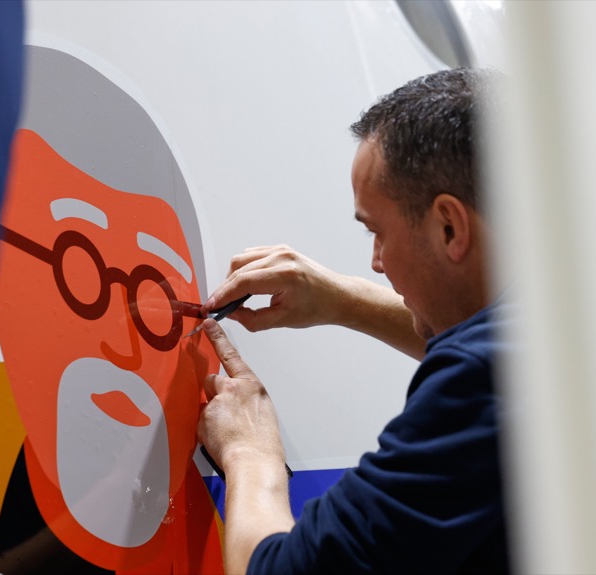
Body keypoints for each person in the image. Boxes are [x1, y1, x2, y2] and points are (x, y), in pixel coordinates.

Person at [197, 67, 513, 574]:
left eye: (377, 232)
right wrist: (343, 300)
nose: (376, 263)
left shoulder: (479, 381)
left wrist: (250, 453)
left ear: (449, 227)